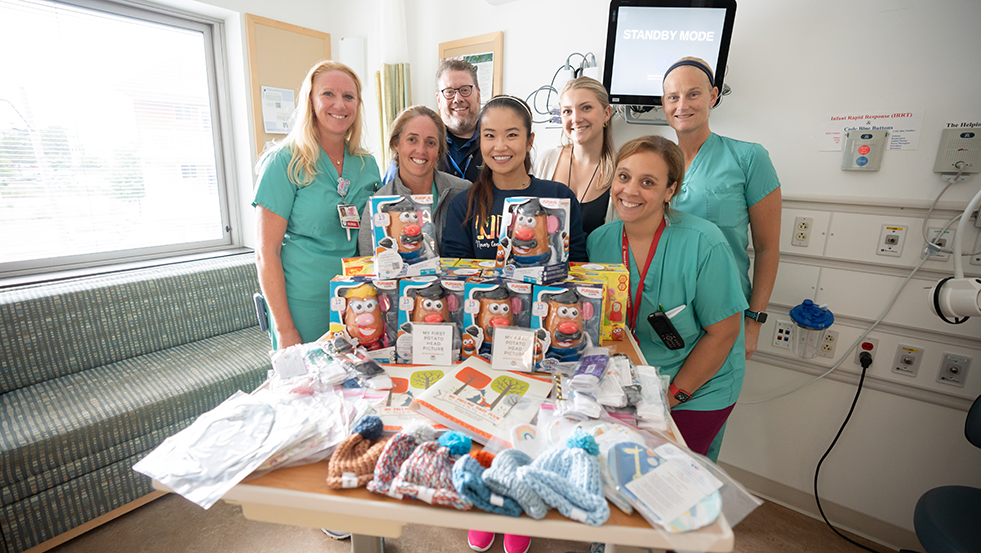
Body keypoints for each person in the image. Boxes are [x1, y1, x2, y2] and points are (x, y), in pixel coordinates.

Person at [587, 136, 747, 463]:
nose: (630, 191)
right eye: (623, 176)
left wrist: (670, 397)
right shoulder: (599, 242)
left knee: (672, 474)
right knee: (618, 467)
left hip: (697, 388)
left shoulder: (705, 243)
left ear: (670, 191)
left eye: (647, 182)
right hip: (628, 384)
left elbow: (724, 333)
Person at [660, 56, 782, 362]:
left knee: (707, 402)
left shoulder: (748, 158)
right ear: (663, 103)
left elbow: (767, 248)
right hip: (661, 311)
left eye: (693, 94)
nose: (682, 105)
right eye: (673, 97)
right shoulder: (656, 163)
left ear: (713, 96)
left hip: (724, 311)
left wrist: (754, 321)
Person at [253, 60, 380, 351]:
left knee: (356, 389)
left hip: (357, 300)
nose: (340, 104)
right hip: (303, 304)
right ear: (310, 100)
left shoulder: (366, 164)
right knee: (308, 391)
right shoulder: (284, 162)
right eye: (328, 94)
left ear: (358, 105)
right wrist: (285, 329)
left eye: (349, 96)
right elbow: (265, 252)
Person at [442, 95, 587, 262]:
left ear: (529, 141)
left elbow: (577, 266)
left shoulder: (559, 196)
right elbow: (456, 272)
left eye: (511, 135)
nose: (500, 146)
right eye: (490, 136)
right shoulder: (463, 204)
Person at [357, 106, 471, 256]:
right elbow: (370, 266)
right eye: (412, 140)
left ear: (439, 151)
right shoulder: (378, 205)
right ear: (396, 144)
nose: (421, 150)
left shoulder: (464, 192)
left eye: (430, 143)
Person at [532, 76, 616, 236]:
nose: (576, 118)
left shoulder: (621, 170)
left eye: (586, 108)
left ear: (606, 113)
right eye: (567, 111)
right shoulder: (545, 160)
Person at [382, 59, 483, 185]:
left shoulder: (494, 142)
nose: (458, 99)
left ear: (478, 95)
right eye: (449, 92)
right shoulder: (416, 148)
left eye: (465, 90)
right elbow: (387, 197)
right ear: (439, 100)